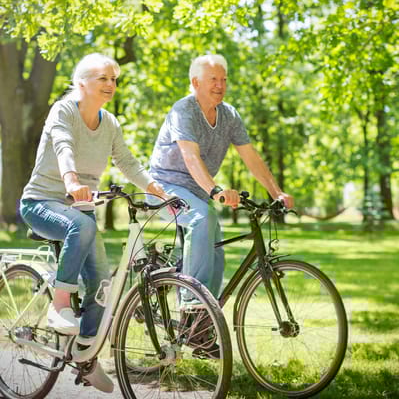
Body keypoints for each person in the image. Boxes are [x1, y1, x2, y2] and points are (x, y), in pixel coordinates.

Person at [19, 53, 169, 393]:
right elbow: (63, 146)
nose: (111, 85)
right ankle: (59, 306)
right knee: (83, 226)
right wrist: (71, 180)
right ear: (81, 82)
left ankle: (85, 357)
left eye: (114, 79)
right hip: (41, 203)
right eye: (103, 78)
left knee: (101, 282)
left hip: (80, 208)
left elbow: (127, 162)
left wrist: (157, 189)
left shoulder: (110, 123)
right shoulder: (64, 110)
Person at [149, 54, 294, 306]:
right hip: (165, 188)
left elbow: (251, 156)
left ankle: (204, 323)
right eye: (213, 79)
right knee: (203, 218)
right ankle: (193, 304)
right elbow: (190, 157)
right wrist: (216, 190)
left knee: (216, 250)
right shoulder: (184, 110)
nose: (220, 85)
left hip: (198, 193)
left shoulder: (229, 115)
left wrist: (276, 192)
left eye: (224, 80)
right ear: (195, 82)